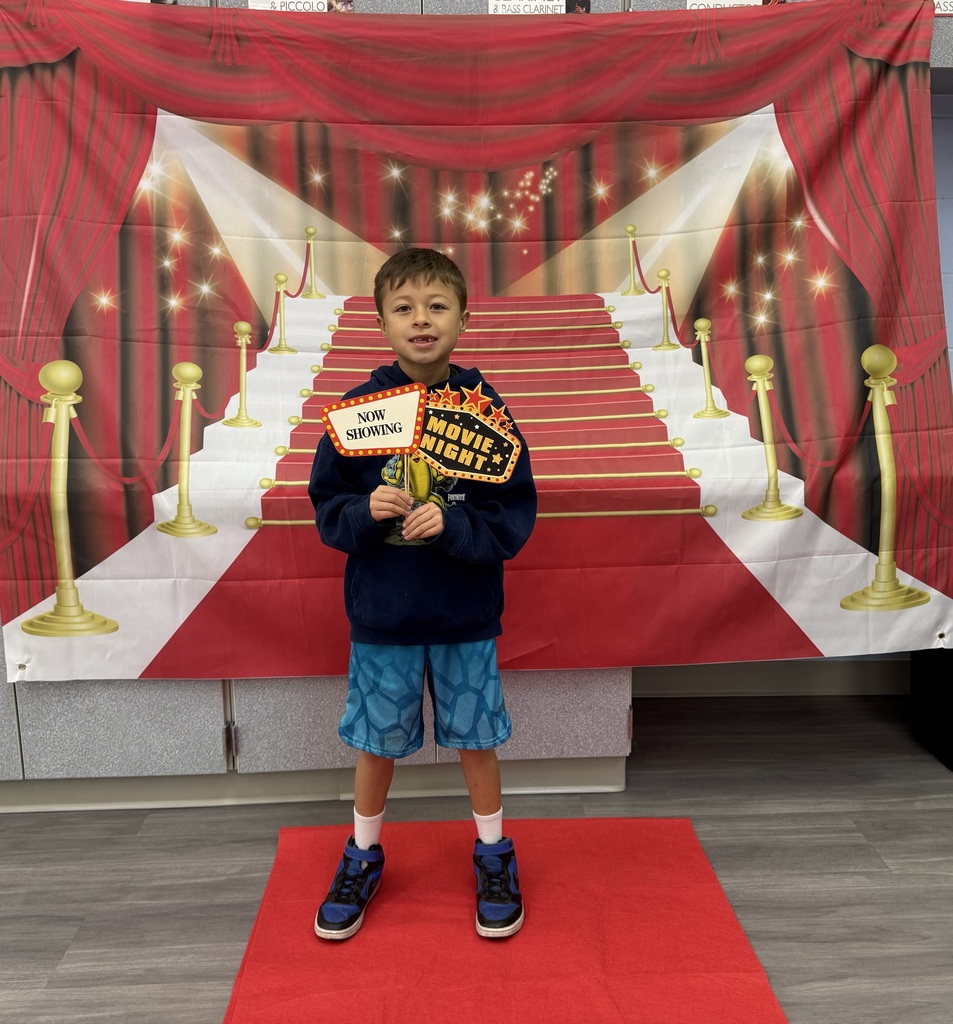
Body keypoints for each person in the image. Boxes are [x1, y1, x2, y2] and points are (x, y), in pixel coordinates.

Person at [308, 248, 537, 942]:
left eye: (436, 306)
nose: (421, 320)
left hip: (465, 615)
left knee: (476, 739)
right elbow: (327, 511)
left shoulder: (487, 412)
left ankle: (493, 854)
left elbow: (513, 516)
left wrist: (456, 523)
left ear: (462, 319)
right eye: (404, 307)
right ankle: (363, 854)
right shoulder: (356, 412)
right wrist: (365, 511)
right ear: (380, 321)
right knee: (376, 743)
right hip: (384, 616)